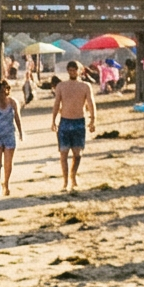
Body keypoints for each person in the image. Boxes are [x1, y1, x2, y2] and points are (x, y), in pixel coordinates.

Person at [51, 61, 96, 192]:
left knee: (78, 153)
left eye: (74, 70)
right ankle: (65, 181)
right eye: (70, 70)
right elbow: (56, 104)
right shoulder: (61, 86)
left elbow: (91, 104)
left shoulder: (85, 86)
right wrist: (53, 120)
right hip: (64, 121)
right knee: (63, 153)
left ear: (80, 71)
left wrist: (93, 120)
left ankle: (73, 175)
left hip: (79, 122)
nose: (72, 72)